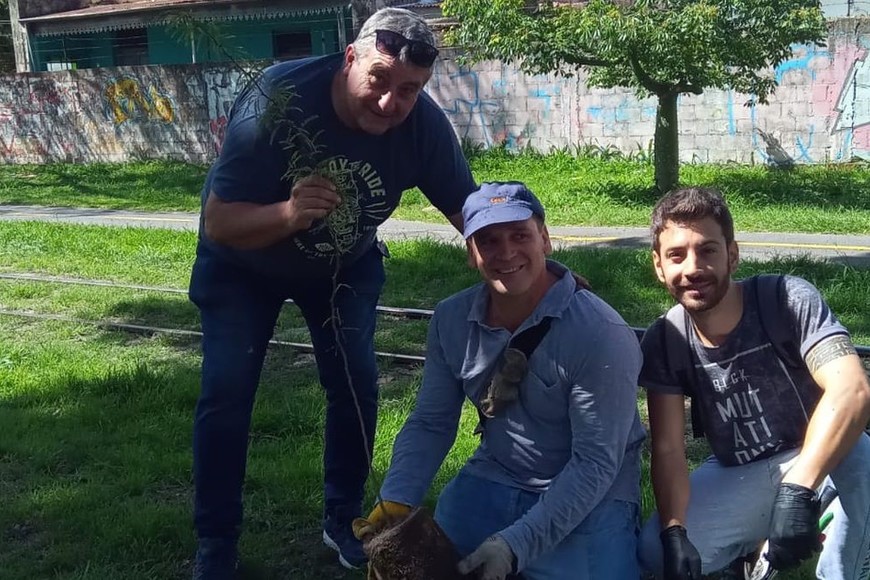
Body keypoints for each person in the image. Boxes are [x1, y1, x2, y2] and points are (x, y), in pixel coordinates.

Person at [186, 7, 476, 579]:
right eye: (379, 80)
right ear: (350, 59)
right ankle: (216, 542)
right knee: (227, 392)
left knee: (355, 382)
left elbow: (469, 212)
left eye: (409, 90)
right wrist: (291, 212)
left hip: (344, 266)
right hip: (242, 265)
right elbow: (220, 222)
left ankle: (342, 516)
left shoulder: (421, 126)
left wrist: (537, 269)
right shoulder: (279, 100)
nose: (391, 103)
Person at [353, 181, 646, 580]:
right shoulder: (450, 320)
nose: (505, 252)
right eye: (488, 241)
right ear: (471, 253)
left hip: (591, 494)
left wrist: (515, 545)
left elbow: (595, 464)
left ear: (545, 239)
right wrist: (396, 501)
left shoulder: (601, 332)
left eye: (519, 235)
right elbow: (431, 421)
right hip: (496, 474)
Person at [637, 186, 870, 579]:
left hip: (821, 456)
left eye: (708, 250)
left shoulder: (786, 300)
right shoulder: (665, 339)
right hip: (739, 470)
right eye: (676, 255)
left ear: (732, 254)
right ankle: (749, 557)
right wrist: (675, 531)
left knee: (864, 459)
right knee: (654, 553)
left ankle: (844, 568)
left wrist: (798, 489)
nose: (692, 267)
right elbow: (669, 450)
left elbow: (852, 389)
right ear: (659, 266)